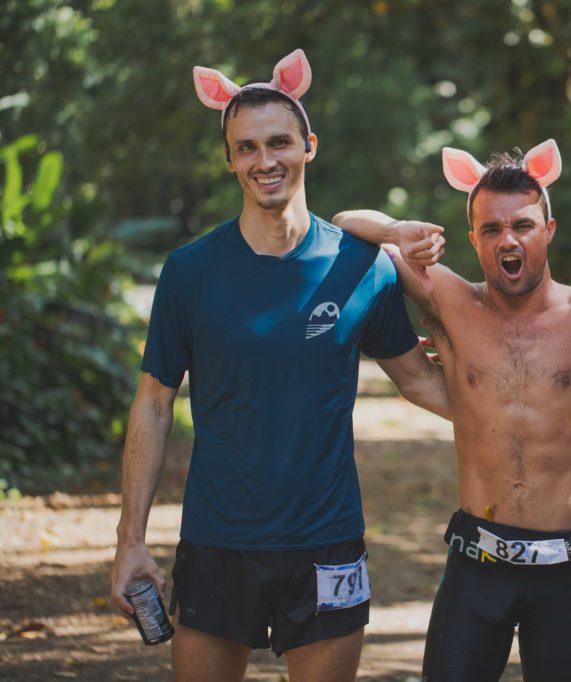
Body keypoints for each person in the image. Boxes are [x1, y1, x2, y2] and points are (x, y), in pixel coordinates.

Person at [108, 49, 449, 682]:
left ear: (308, 145)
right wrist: (131, 541)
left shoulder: (362, 265)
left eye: (279, 142)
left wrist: (529, 406)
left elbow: (424, 382)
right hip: (217, 540)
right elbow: (153, 403)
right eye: (246, 148)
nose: (265, 161)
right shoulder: (190, 272)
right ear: (230, 158)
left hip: (328, 543)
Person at [332, 139, 571, 681]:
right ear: (474, 240)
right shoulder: (449, 298)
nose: (508, 239)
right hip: (477, 561)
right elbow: (345, 223)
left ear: (548, 231)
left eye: (523, 225)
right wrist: (397, 232)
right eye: (491, 229)